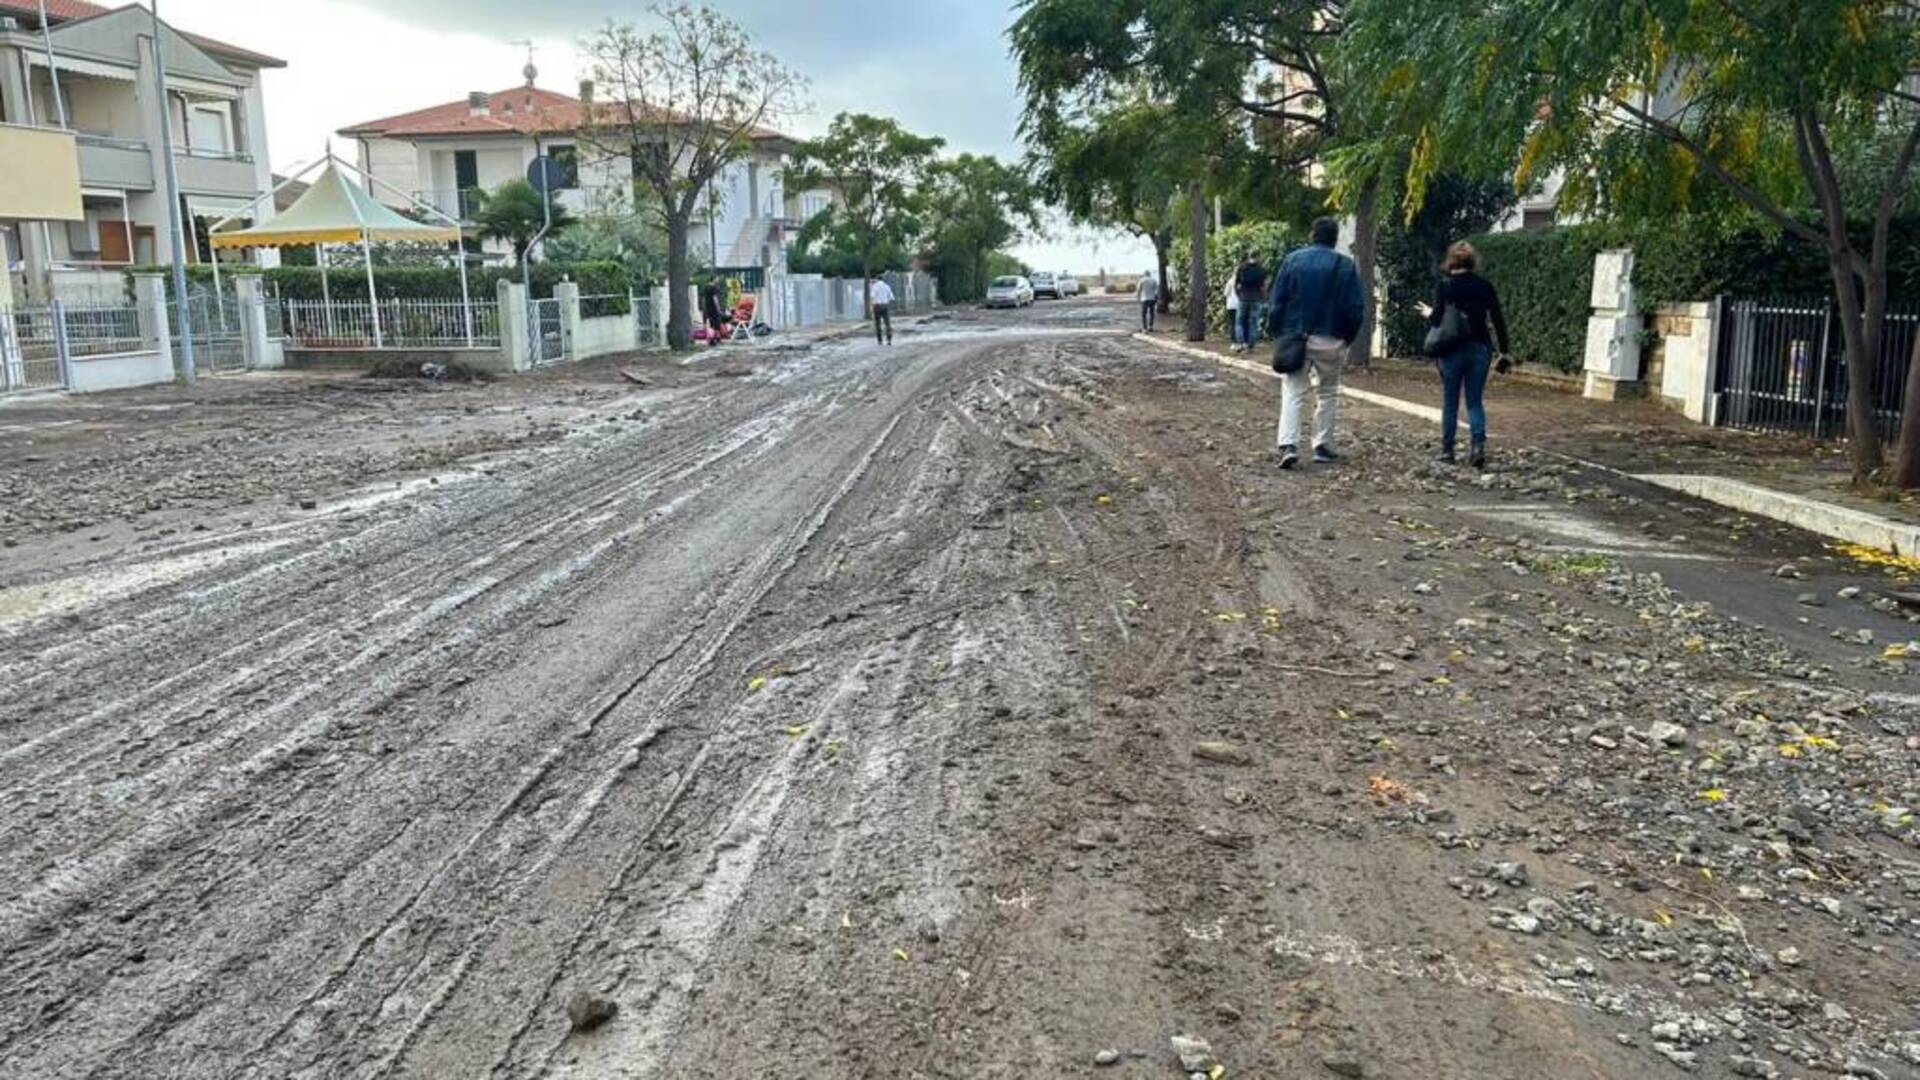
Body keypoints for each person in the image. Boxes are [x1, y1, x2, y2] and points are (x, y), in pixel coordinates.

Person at [1265, 217, 1366, 470]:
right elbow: (1355, 307)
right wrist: (1347, 339)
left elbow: (1278, 301)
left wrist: (1277, 331)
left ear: (1312, 235)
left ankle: (1288, 445)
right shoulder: (1345, 265)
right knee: (1328, 392)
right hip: (1332, 339)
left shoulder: (1293, 260)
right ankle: (1322, 445)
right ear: (1334, 239)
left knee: (1293, 391)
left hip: (1297, 337)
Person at [1428, 241, 1512, 469]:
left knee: (1450, 401)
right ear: (1472, 261)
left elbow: (1437, 319)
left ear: (1451, 261)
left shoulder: (1444, 287)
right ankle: (1477, 447)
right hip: (1480, 348)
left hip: (1452, 350)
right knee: (1474, 401)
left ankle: (1447, 450)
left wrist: (1428, 313)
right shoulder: (1484, 286)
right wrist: (1504, 351)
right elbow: (1498, 319)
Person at [1232, 252, 1268, 353]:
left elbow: (1236, 284)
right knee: (1254, 322)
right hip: (1256, 298)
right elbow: (1264, 286)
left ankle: (1241, 343)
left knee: (1239, 322)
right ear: (1258, 257)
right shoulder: (1261, 270)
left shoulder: (1241, 268)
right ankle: (1251, 346)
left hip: (1243, 298)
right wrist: (1264, 297)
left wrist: (1238, 295)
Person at [700, 278, 726, 346]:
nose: (717, 280)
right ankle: (717, 339)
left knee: (711, 324)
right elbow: (715, 298)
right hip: (714, 308)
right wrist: (718, 308)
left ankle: (712, 339)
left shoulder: (705, 287)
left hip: (708, 308)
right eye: (716, 279)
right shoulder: (714, 288)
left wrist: (704, 308)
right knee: (717, 324)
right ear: (713, 279)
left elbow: (703, 299)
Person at [870, 276, 896, 345]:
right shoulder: (887, 286)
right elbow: (891, 297)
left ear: (877, 279)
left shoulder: (875, 286)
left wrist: (872, 307)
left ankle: (880, 340)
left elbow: (872, 297)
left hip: (877, 306)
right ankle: (889, 340)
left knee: (878, 324)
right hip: (885, 305)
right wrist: (887, 303)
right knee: (887, 323)